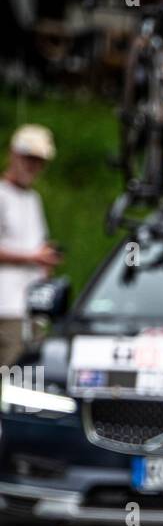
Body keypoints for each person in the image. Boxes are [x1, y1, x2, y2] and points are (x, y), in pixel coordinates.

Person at [0, 125, 62, 372]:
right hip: (6, 308)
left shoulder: (32, 198)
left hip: (32, 309)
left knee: (28, 380)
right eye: (28, 159)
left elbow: (38, 244)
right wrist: (32, 257)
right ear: (13, 155)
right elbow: (31, 252)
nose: (33, 166)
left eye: (39, 161)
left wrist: (46, 260)